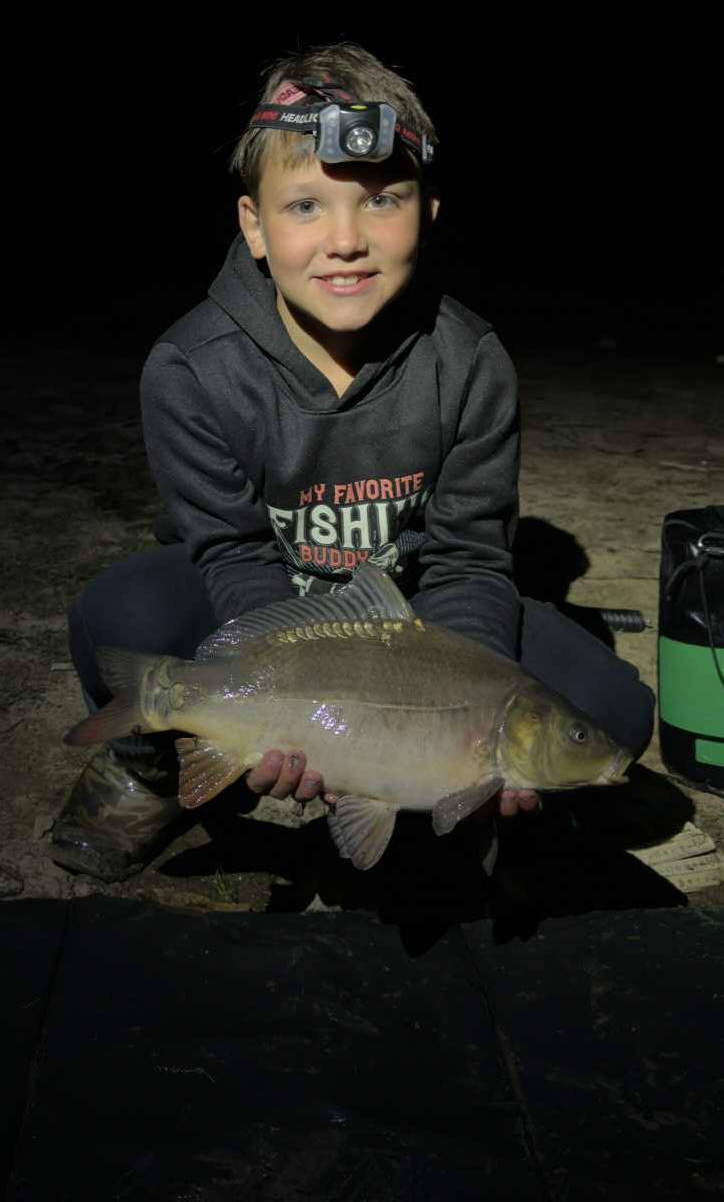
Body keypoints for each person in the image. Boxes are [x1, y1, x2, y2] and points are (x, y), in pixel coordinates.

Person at [52, 44, 655, 883]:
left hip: (414, 623)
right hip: (262, 610)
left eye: (382, 200)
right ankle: (152, 764)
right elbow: (231, 552)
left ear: (429, 212)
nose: (345, 240)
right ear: (254, 225)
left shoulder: (470, 360)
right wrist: (283, 694)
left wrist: (455, 732)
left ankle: (454, 794)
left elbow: (469, 559)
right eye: (305, 205)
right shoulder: (190, 366)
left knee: (613, 709)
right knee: (123, 613)